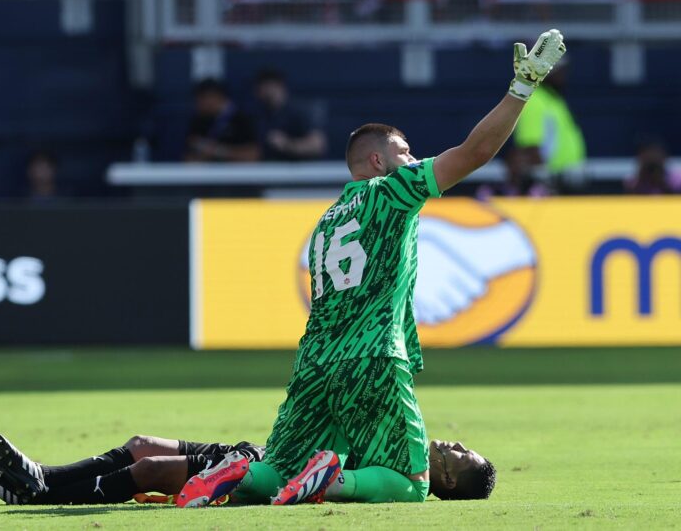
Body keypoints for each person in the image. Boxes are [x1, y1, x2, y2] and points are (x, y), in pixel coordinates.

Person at [175, 29, 566, 508]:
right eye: (405, 153)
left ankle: (240, 474)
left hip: (315, 360)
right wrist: (521, 89)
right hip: (373, 355)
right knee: (412, 481)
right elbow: (473, 155)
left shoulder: (328, 218)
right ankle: (334, 482)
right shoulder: (392, 191)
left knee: (280, 468)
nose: (413, 159)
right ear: (378, 161)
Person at [0, 433, 494, 505]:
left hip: (254, 472)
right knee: (140, 444)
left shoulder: (406, 484)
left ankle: (42, 496)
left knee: (154, 468)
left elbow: (328, 482)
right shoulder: (399, 437)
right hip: (265, 449)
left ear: (449, 479)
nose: (452, 443)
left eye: (461, 453)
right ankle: (44, 474)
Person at [512, 59, 586, 193]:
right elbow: (531, 145)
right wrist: (545, 182)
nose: (563, 75)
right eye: (557, 70)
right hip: (551, 183)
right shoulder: (534, 100)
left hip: (566, 180)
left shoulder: (553, 99)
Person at [254, 69, 327, 161]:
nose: (262, 92)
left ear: (278, 86)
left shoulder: (299, 111)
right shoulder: (261, 114)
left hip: (301, 170)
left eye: (266, 87)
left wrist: (287, 144)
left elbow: (318, 146)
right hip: (270, 169)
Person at [184, 78, 260, 162]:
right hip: (208, 173)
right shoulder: (199, 120)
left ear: (213, 97)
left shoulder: (242, 119)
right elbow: (189, 158)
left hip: (236, 173)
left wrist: (218, 151)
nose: (197, 105)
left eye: (200, 100)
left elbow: (253, 155)